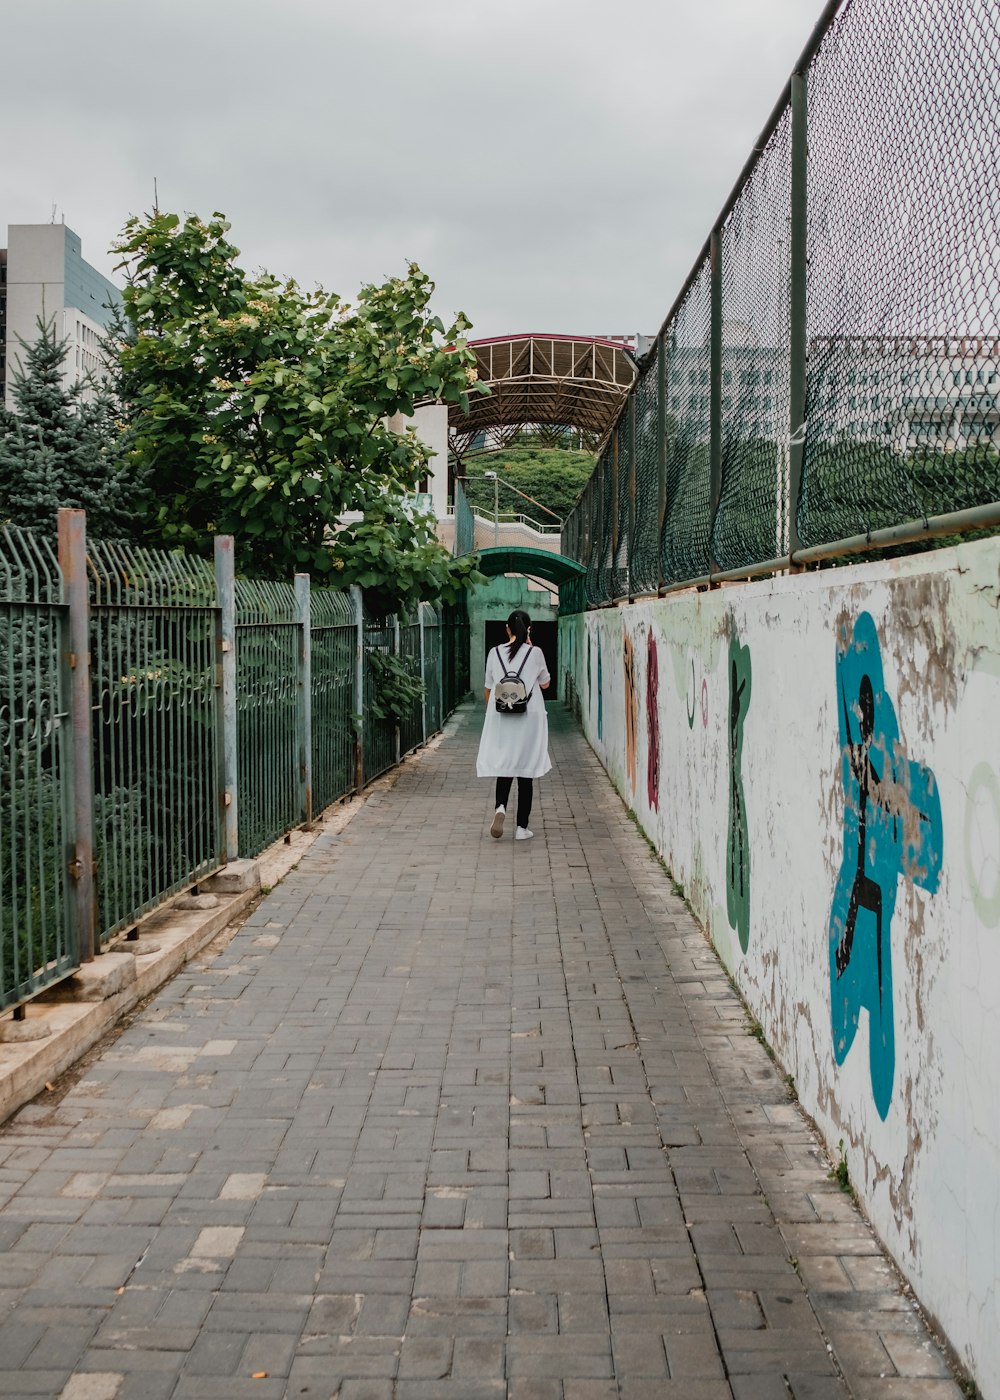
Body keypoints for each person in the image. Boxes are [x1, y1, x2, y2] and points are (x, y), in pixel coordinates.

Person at [476, 610, 552, 841]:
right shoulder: (535, 653)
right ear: (528, 629)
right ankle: (521, 828)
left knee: (505, 766)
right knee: (525, 769)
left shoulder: (494, 653)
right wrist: (529, 645)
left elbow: (489, 687)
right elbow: (546, 684)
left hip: (502, 717)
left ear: (507, 629)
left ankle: (500, 807)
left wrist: (497, 713)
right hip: (529, 718)